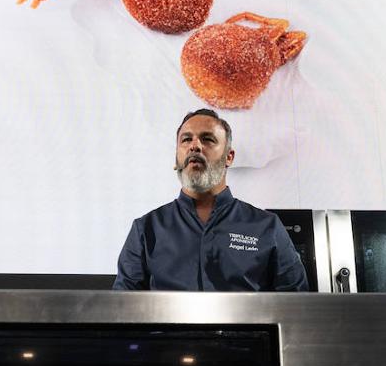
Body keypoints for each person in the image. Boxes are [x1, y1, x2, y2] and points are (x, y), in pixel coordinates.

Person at [113, 109, 308, 291]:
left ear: (229, 157)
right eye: (186, 139)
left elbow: (296, 306)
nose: (195, 146)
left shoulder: (267, 227)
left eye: (207, 139)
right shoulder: (146, 230)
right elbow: (123, 309)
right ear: (176, 159)